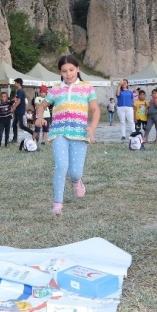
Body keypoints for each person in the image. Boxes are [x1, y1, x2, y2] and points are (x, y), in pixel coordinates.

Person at [35, 55, 99, 216]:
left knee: (75, 172)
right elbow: (42, 106)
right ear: (60, 72)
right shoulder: (55, 89)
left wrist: (92, 129)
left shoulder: (87, 87)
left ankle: (76, 181)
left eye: (71, 70)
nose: (68, 74)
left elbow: (96, 110)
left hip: (79, 133)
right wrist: (40, 117)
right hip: (59, 132)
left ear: (77, 69)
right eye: (64, 71)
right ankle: (57, 204)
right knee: (61, 166)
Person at [10, 78, 34, 143]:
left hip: (20, 110)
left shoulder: (20, 91)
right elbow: (16, 99)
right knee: (14, 124)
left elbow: (19, 101)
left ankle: (33, 133)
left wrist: (13, 107)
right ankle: (14, 139)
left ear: (18, 83)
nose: (14, 84)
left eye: (15, 83)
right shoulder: (18, 91)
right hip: (18, 110)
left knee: (21, 125)